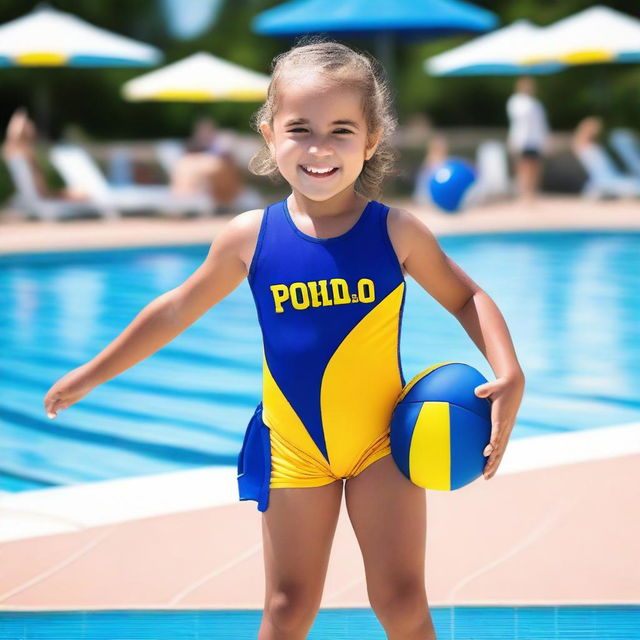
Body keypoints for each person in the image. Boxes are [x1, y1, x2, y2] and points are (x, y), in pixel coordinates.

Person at [44, 37, 526, 640]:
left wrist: (510, 371)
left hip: (383, 444)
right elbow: (173, 312)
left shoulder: (396, 232)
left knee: (402, 601)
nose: (320, 148)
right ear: (270, 136)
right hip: (294, 451)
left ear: (372, 140)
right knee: (288, 607)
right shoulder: (250, 238)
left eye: (341, 130)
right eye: (300, 128)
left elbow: (467, 297)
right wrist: (91, 373)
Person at [2, 107, 88, 201]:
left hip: (40, 196)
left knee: (79, 191)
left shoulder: (13, 153)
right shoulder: (26, 155)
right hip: (44, 197)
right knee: (83, 193)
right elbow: (43, 192)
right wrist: (65, 193)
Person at [170, 116, 244, 210]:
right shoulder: (193, 153)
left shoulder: (221, 147)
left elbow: (230, 165)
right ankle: (186, 196)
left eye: (207, 131)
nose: (204, 135)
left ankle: (186, 196)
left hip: (221, 189)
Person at [572, 116, 640, 199]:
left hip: (608, 179)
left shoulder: (592, 145)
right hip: (606, 181)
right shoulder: (584, 146)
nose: (598, 131)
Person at [506, 76, 549, 205]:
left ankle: (532, 192)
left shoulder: (536, 104)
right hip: (522, 141)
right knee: (524, 168)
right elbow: (519, 119)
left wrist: (545, 140)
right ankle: (524, 193)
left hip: (535, 140)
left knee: (535, 167)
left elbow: (542, 124)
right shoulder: (516, 101)